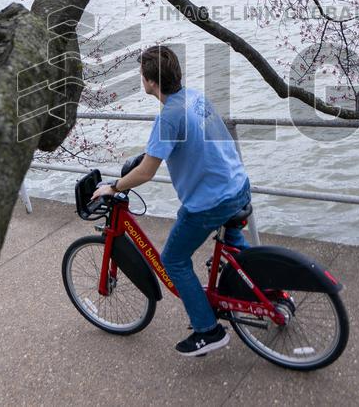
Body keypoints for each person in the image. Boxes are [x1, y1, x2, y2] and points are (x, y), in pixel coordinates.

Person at [91, 45, 251, 357]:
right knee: (236, 248)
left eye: (142, 75)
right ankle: (262, 287)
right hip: (238, 185)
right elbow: (182, 142)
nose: (141, 79)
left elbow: (147, 172)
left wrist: (114, 187)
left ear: (151, 82)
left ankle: (208, 330)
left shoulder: (168, 117)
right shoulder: (194, 97)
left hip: (211, 202)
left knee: (174, 260)